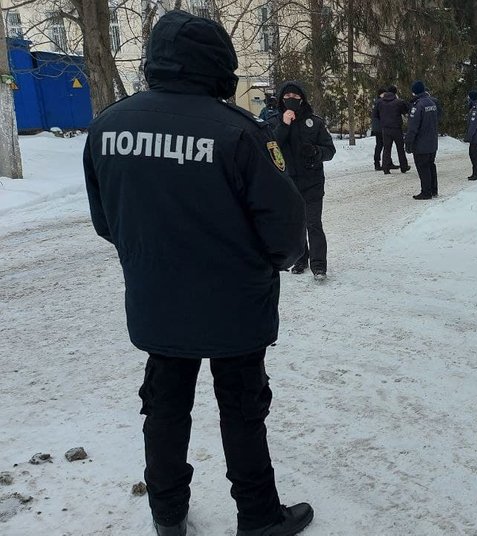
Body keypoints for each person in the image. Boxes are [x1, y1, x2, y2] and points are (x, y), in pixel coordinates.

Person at [82, 10, 313, 536]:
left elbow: (106, 221)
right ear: (218, 67)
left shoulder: (107, 127)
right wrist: (274, 262)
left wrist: (152, 257)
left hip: (157, 300)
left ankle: (167, 514)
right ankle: (257, 517)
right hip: (235, 304)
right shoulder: (238, 132)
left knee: (164, 409)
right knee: (242, 410)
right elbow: (285, 222)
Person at [268, 81, 336, 280]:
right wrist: (284, 125)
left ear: (302, 100)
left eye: (296, 98)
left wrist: (316, 152)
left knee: (313, 224)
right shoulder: (274, 122)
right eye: (287, 97)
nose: (291, 100)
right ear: (281, 100)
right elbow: (270, 148)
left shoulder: (314, 122)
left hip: (312, 181)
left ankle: (319, 265)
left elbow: (330, 150)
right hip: (287, 182)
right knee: (295, 224)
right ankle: (301, 259)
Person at [405, 80, 440, 199]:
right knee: (431, 165)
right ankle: (433, 190)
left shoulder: (418, 106)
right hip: (432, 141)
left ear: (414, 92)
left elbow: (413, 127)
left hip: (421, 143)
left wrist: (408, 142)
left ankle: (426, 192)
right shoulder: (432, 103)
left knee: (423, 167)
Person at [375, 85, 411, 174]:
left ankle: (386, 168)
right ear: (395, 92)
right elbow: (405, 110)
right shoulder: (398, 102)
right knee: (400, 148)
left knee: (387, 148)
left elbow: (375, 114)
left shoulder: (380, 102)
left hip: (385, 128)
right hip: (396, 128)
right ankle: (403, 166)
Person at [464, 90, 477, 181]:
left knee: (474, 154)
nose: (467, 99)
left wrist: (468, 136)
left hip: (476, 136)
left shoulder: (476, 108)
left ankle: (476, 173)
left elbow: (473, 124)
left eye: (468, 97)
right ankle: (475, 172)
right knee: (474, 153)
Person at [370, 87, 390, 171]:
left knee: (382, 145)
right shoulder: (380, 102)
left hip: (377, 126)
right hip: (380, 126)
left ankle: (382, 162)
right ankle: (378, 163)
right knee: (381, 145)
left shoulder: (377, 101)